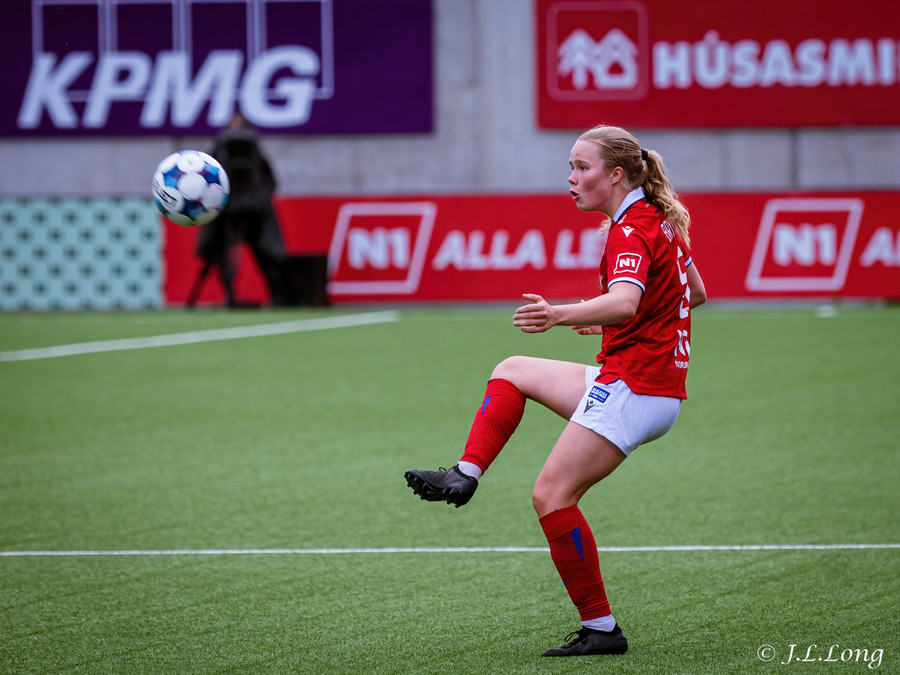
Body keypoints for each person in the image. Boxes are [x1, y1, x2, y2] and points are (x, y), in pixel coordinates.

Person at [404, 124, 707, 657]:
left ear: (616, 175)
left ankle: (602, 629)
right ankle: (465, 474)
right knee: (512, 369)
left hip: (635, 387)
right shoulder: (654, 218)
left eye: (582, 167)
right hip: (646, 383)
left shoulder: (630, 230)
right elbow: (694, 292)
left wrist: (561, 314)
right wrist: (602, 319)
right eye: (571, 167)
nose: (571, 178)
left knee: (551, 495)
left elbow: (626, 302)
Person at [191, 112, 287, 307]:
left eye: (239, 124)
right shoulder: (220, 150)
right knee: (220, 250)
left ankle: (278, 297)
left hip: (254, 210)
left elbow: (270, 181)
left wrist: (259, 197)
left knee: (266, 251)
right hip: (226, 209)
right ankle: (231, 296)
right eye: (231, 124)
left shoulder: (255, 152)